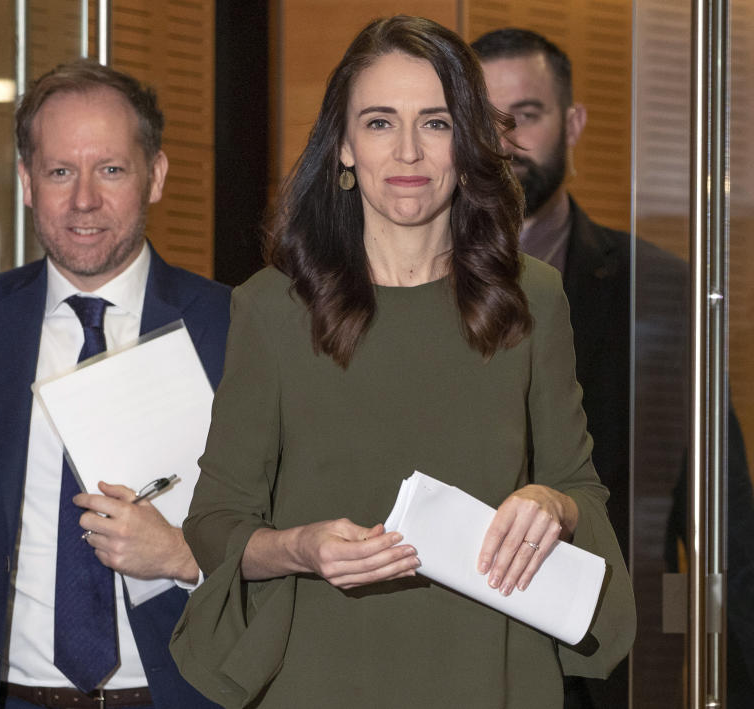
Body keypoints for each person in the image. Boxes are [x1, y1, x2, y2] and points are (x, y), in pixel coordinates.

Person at [169, 16, 635, 708]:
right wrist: (301, 547)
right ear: (344, 149)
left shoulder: (531, 297)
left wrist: (550, 504)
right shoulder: (273, 307)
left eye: (436, 123)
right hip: (318, 674)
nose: (408, 150)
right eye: (380, 122)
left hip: (493, 673)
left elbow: (576, 486)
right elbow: (214, 520)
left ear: (468, 144)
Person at [0, 60, 227, 709]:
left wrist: (186, 554)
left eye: (111, 169)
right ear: (26, 183)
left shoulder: (235, 328)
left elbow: (286, 537)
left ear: (156, 177)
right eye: (60, 171)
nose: (83, 199)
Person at [472, 27, 754, 709]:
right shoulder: (410, 285)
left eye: (525, 115)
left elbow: (717, 524)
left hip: (608, 668)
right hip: (450, 660)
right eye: (484, 122)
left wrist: (750, 690)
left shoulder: (660, 289)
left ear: (572, 122)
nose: (504, 143)